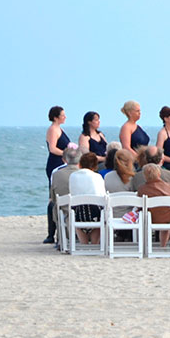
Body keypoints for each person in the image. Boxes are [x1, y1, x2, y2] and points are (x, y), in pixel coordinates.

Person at [43, 105, 69, 243]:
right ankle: (50, 233)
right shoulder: (53, 129)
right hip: (55, 163)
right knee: (53, 197)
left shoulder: (60, 129)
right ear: (55, 117)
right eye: (62, 115)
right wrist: (67, 153)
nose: (65, 117)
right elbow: (52, 148)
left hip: (63, 162)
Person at [69, 152, 106, 245]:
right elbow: (102, 196)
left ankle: (84, 243)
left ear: (80, 164)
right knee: (100, 212)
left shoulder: (73, 176)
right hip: (95, 214)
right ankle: (94, 244)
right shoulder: (97, 177)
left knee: (77, 209)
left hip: (79, 213)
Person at [137, 164, 170, 248]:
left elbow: (139, 207)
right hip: (168, 219)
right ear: (159, 174)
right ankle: (164, 243)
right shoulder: (169, 186)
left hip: (150, 218)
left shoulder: (142, 189)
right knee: (168, 214)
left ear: (145, 176)